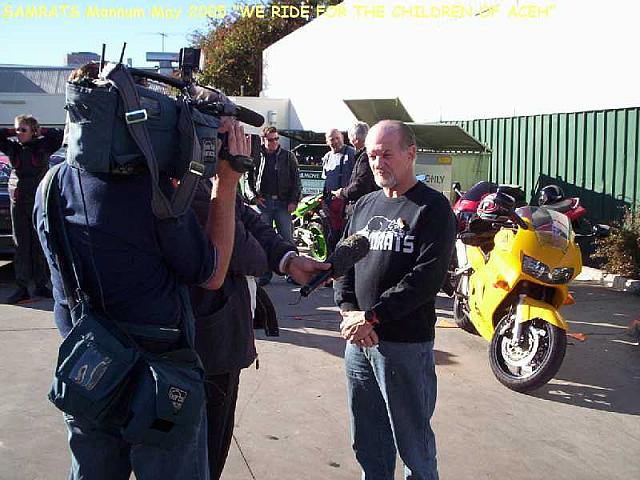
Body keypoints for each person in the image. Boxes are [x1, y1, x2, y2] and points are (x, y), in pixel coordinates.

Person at [34, 105, 251, 480]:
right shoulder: (151, 192)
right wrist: (227, 181)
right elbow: (212, 273)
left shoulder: (52, 183)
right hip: (158, 379)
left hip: (87, 366)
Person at [334, 120, 456, 480]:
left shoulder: (432, 209)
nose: (378, 163)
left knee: (414, 447)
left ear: (410, 153)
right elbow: (343, 262)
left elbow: (426, 279)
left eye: (386, 154)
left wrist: (372, 317)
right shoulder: (365, 205)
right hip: (359, 344)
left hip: (404, 347)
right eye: (373, 155)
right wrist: (349, 313)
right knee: (368, 443)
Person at [191, 185, 330, 480]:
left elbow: (247, 218)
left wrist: (287, 259)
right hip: (204, 348)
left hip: (220, 341)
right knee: (200, 458)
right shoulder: (189, 179)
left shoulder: (212, 177)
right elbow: (248, 255)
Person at [1, 115, 63, 304]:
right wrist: (11, 131)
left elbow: (60, 135)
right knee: (21, 245)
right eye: (17, 130)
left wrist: (40, 130)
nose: (19, 134)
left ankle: (41, 285)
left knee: (40, 243)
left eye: (23, 130)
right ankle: (22, 288)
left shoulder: (43, 146)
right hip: (19, 201)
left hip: (38, 200)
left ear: (33, 131)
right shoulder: (14, 148)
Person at [245, 126, 302, 285]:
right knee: (262, 239)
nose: (274, 142)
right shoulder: (256, 156)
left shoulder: (288, 156)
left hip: (283, 203)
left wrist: (293, 201)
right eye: (271, 140)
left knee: (287, 239)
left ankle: (293, 273)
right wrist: (253, 197)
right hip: (264, 203)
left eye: (277, 139)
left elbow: (296, 181)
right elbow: (247, 179)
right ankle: (265, 274)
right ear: (263, 140)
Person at [331, 121, 379, 219]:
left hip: (362, 209)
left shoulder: (365, 157)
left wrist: (342, 192)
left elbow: (361, 185)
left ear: (355, 139)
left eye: (350, 138)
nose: (349, 141)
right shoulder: (365, 155)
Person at [321, 128, 355, 253]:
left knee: (346, 237)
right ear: (327, 142)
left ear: (342, 138)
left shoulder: (352, 153)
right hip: (331, 204)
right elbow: (326, 180)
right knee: (332, 237)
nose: (335, 141)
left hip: (346, 204)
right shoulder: (327, 157)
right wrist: (324, 200)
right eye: (332, 139)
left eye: (337, 138)